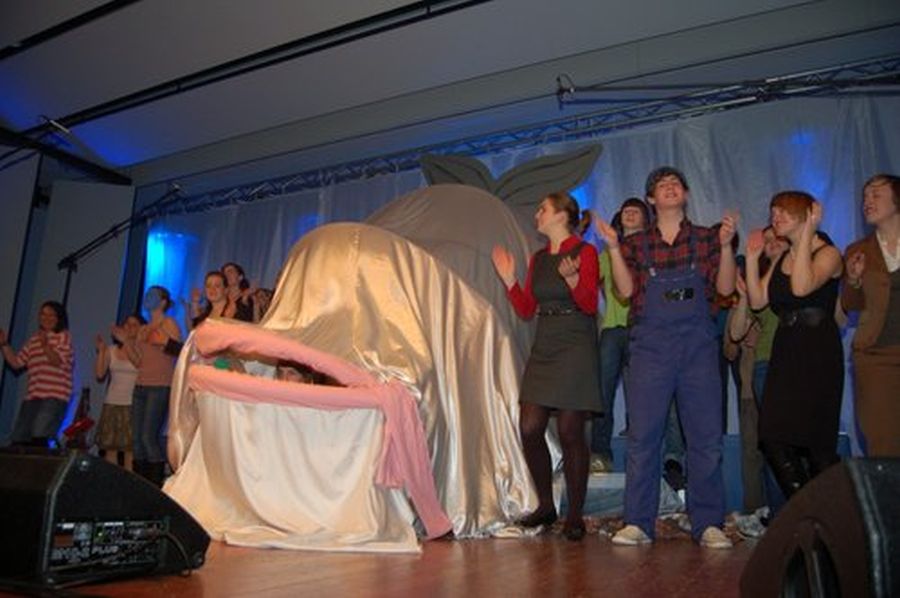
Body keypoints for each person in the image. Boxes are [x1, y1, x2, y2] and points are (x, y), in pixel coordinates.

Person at [596, 166, 737, 549]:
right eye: (662, 185)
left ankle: (708, 523)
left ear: (686, 194)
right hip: (650, 346)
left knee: (705, 438)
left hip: (698, 345)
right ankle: (638, 523)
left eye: (676, 183)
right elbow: (625, 292)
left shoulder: (707, 238)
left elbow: (725, 288)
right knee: (643, 437)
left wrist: (727, 246)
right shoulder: (637, 244)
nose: (670, 187)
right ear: (651, 199)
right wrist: (613, 248)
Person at [492, 191, 600, 541]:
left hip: (575, 342)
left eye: (542, 209)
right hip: (546, 342)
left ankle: (575, 515)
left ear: (561, 215)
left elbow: (589, 305)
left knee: (570, 432)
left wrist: (573, 281)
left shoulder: (585, 252)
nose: (537, 214)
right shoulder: (539, 258)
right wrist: (510, 280)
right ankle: (545, 506)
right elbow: (526, 309)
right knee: (529, 426)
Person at [745, 192, 843, 499]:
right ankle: (805, 506)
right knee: (772, 434)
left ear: (806, 214)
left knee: (817, 442)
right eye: (773, 212)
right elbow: (758, 300)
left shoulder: (828, 253)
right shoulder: (782, 256)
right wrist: (752, 260)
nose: (776, 218)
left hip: (817, 347)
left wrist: (807, 235)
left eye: (783, 212)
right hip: (786, 347)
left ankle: (829, 514)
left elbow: (801, 287)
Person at [727, 226, 787, 517]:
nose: (771, 244)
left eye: (777, 239)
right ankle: (768, 515)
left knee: (790, 445)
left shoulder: (803, 274)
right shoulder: (756, 282)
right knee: (765, 447)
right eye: (767, 241)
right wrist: (742, 298)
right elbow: (735, 335)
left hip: (798, 367)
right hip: (760, 368)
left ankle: (796, 513)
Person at [842, 174, 900, 457]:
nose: (868, 201)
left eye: (876, 194)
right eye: (865, 196)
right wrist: (853, 280)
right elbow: (850, 304)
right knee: (883, 442)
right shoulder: (858, 250)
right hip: (876, 356)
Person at [591, 197, 649, 474]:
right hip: (614, 328)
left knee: (643, 394)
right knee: (602, 392)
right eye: (626, 210)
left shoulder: (652, 251)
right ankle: (600, 453)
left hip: (644, 329)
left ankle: (641, 455)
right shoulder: (606, 255)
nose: (630, 213)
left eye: (636, 211)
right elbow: (587, 281)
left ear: (646, 219)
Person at [125, 286, 181, 486]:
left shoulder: (169, 323)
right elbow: (138, 361)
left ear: (163, 302)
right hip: (141, 385)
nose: (148, 297)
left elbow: (178, 350)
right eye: (147, 294)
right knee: (137, 439)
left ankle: (154, 486)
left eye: (153, 295)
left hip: (160, 386)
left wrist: (162, 341)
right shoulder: (143, 328)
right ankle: (140, 486)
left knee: (149, 436)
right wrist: (127, 342)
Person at [0, 301, 74, 447]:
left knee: (40, 436)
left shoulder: (63, 337)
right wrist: (4, 344)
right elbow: (16, 363)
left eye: (51, 315)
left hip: (54, 396)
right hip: (33, 396)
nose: (46, 318)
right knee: (20, 438)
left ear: (59, 318)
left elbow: (57, 361)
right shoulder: (33, 340)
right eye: (43, 314)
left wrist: (45, 344)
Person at [94, 314, 143, 469]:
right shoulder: (112, 350)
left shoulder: (142, 349)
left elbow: (139, 364)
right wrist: (101, 351)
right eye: (127, 324)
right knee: (110, 448)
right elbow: (100, 374)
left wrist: (127, 342)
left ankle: (129, 481)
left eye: (134, 325)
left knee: (129, 450)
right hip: (111, 402)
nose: (129, 328)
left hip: (132, 404)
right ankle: (112, 481)